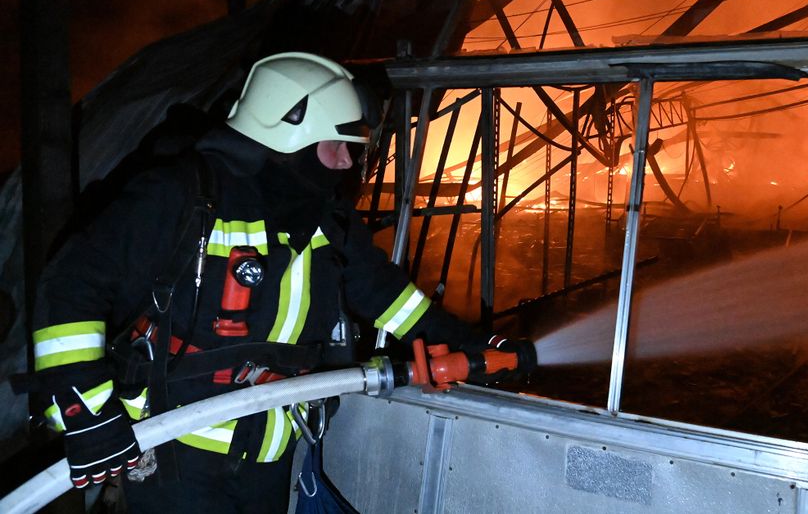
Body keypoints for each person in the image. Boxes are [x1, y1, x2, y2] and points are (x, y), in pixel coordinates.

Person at [29, 52, 532, 512]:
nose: (347, 163)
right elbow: (71, 287)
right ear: (289, 133)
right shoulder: (180, 195)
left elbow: (387, 297)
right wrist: (86, 411)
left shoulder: (325, 219)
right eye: (337, 146)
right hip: (176, 451)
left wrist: (476, 345)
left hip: (272, 452)